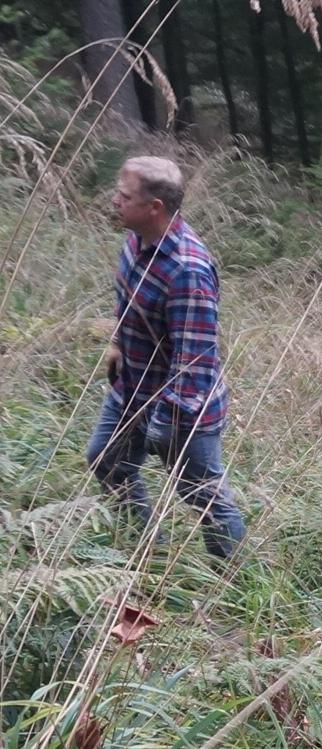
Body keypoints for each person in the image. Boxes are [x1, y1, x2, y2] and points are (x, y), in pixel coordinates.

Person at [91, 155, 245, 560]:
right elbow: (127, 298)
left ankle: (233, 583)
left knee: (204, 498)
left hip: (181, 412)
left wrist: (164, 425)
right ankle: (149, 553)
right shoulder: (137, 238)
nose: (113, 201)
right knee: (106, 461)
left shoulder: (187, 270)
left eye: (123, 196)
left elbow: (194, 360)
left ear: (154, 206)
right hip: (133, 388)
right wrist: (118, 342)